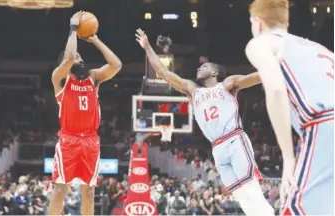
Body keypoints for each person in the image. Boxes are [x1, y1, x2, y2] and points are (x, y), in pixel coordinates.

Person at [136, 28, 274, 216]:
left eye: (205, 66)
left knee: (251, 188)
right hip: (217, 148)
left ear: (215, 72)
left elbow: (255, 77)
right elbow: (162, 72)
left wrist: (276, 65)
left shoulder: (227, 84)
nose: (199, 68)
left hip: (234, 139)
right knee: (240, 195)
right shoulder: (193, 90)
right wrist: (147, 47)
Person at [245, 0, 334, 215]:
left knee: (295, 208)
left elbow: (275, 90)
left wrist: (288, 157)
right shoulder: (319, 49)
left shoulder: (261, 43)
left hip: (325, 124)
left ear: (257, 22)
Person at [48, 11, 122, 215]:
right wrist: (73, 28)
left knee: (89, 191)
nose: (79, 59)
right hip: (69, 140)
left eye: (81, 57)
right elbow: (70, 56)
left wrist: (96, 40)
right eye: (76, 58)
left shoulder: (93, 78)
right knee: (59, 190)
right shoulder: (60, 79)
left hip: (90, 140)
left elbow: (116, 65)